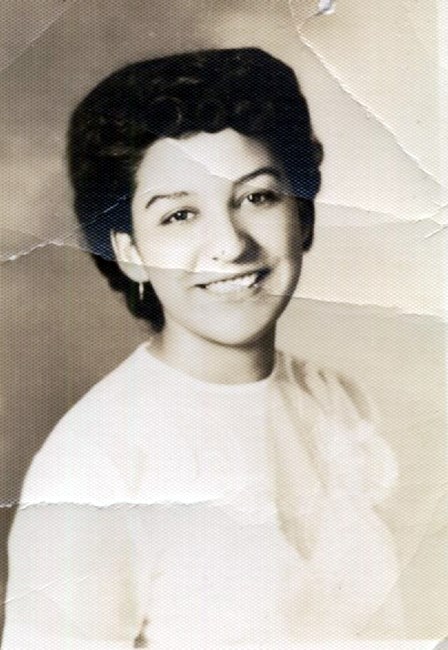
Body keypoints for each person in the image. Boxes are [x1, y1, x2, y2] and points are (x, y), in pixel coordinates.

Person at [2, 48, 404, 649]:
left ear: (302, 215)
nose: (230, 245)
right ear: (129, 252)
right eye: (180, 215)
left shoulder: (338, 401)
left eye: (257, 197)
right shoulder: (93, 463)